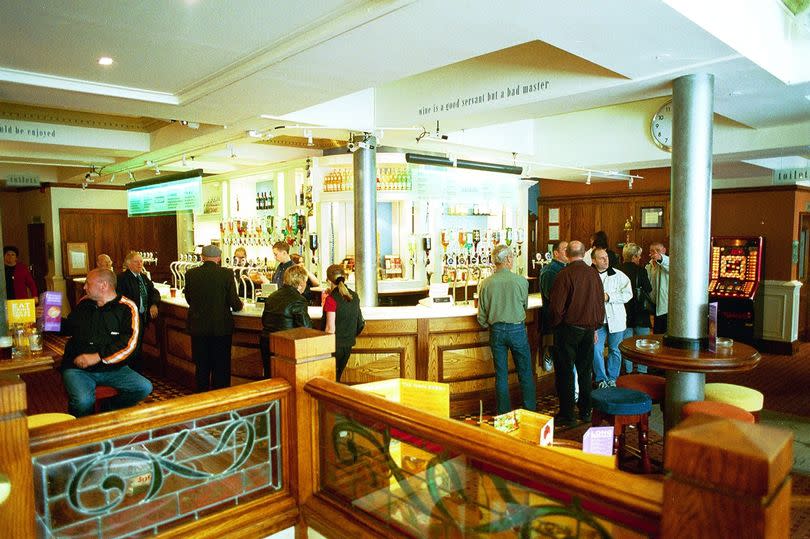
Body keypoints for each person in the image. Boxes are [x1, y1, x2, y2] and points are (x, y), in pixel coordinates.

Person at [60, 268, 152, 417]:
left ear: (103, 285)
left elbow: (129, 345)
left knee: (144, 388)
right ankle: (80, 428)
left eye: (87, 283)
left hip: (113, 368)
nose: (84, 287)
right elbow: (69, 327)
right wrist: (48, 321)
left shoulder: (127, 308)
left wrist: (98, 356)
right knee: (83, 402)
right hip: (77, 367)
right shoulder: (85, 303)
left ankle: (108, 409)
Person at [548, 240, 605, 429]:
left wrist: (558, 324)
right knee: (585, 371)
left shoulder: (564, 275)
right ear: (583, 253)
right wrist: (595, 327)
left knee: (565, 372)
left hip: (568, 329)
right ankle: (586, 411)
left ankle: (567, 414)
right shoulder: (593, 274)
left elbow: (556, 308)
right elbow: (599, 303)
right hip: (589, 330)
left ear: (568, 254)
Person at [477, 244, 536, 415]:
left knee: (501, 374)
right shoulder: (521, 281)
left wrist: (492, 324)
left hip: (496, 331)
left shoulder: (486, 283)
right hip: (517, 329)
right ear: (509, 259)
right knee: (525, 371)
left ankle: (503, 413)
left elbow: (481, 316)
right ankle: (530, 411)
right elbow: (525, 305)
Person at [183, 244, 244, 392]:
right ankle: (220, 400)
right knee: (221, 367)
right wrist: (240, 305)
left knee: (202, 366)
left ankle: (202, 398)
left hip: (198, 328)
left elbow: (189, 298)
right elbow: (233, 302)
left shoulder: (191, 274)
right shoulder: (226, 274)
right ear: (218, 258)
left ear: (202, 257)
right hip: (220, 328)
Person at [260, 265, 313, 377]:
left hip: (267, 342)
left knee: (270, 377)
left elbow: (264, 320)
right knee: (285, 379)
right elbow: (306, 328)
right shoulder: (299, 300)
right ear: (301, 282)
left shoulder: (272, 296)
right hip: (285, 345)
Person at [591, 247, 632, 388]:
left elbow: (628, 294)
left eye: (607, 257)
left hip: (616, 318)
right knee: (596, 349)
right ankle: (601, 378)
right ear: (593, 260)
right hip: (597, 320)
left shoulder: (619, 275)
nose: (605, 260)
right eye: (602, 258)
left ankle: (612, 378)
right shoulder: (589, 275)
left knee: (615, 349)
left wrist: (609, 297)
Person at [116, 251, 160, 371]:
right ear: (129, 264)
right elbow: (120, 299)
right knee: (130, 345)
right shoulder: (122, 279)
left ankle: (137, 370)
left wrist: (154, 304)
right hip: (129, 318)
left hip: (142, 316)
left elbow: (154, 292)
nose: (140, 264)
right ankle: (130, 370)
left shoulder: (143, 277)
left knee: (138, 344)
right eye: (136, 261)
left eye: (141, 261)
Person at [322, 264, 364, 382]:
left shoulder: (331, 299)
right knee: (337, 377)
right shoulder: (354, 296)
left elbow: (330, 329)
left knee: (329, 380)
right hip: (348, 344)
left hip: (334, 346)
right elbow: (359, 322)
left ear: (328, 280)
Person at [620, 243, 653, 374]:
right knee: (643, 344)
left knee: (626, 344)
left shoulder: (617, 269)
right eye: (638, 256)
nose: (640, 258)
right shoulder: (641, 271)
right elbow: (648, 289)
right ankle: (642, 370)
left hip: (624, 312)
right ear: (634, 256)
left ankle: (628, 371)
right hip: (640, 312)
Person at [539, 240, 568, 372]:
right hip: (554, 319)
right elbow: (553, 298)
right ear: (556, 253)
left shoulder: (567, 268)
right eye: (565, 249)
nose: (568, 252)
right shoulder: (550, 271)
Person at [646, 242, 670, 334]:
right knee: (656, 334)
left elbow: (671, 265)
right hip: (653, 305)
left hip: (665, 306)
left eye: (658, 251)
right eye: (652, 251)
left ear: (664, 251)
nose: (655, 253)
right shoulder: (648, 266)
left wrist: (661, 259)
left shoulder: (668, 263)